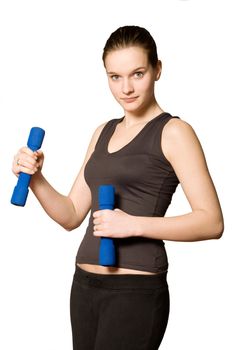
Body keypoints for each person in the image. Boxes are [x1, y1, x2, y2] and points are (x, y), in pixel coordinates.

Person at [12, 25, 224, 350]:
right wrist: (36, 177)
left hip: (135, 291)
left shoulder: (174, 132)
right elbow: (70, 215)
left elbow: (212, 222)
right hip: (84, 285)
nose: (126, 88)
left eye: (137, 73)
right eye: (115, 77)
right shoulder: (103, 132)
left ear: (157, 70)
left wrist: (134, 225)